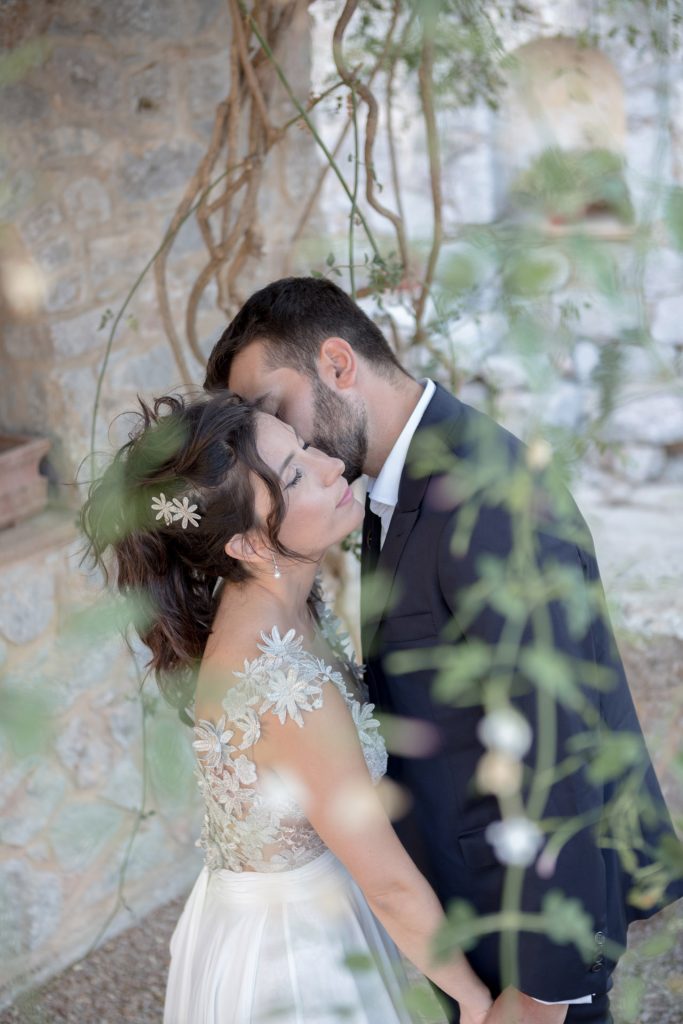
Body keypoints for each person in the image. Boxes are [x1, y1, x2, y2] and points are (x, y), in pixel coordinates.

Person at [204, 275, 683, 1024]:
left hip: (531, 925)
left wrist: (543, 991)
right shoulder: (384, 485)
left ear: (336, 364)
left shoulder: (488, 501)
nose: (283, 449)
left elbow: (555, 750)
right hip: (468, 899)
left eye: (277, 415)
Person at [80, 391, 494, 1024]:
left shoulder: (277, 599)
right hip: (299, 960)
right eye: (298, 474)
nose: (331, 464)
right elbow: (387, 883)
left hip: (294, 902)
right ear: (246, 544)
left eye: (302, 448)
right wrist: (474, 1000)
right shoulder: (285, 691)